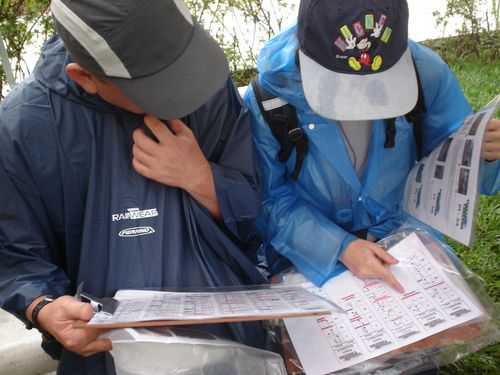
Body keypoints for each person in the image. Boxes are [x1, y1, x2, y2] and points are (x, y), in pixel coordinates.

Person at [0, 0, 267, 373]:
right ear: (85, 78)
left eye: (180, 69)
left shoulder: (199, 81)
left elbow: (254, 208)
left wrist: (200, 177)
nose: (180, 89)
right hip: (108, 355)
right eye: (155, 85)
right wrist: (43, 308)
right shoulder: (21, 129)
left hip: (234, 341)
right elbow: (16, 259)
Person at [244, 0, 500, 291]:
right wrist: (339, 247)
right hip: (306, 253)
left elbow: (453, 160)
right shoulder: (268, 98)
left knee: (452, 328)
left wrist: (485, 155)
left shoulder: (424, 72)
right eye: (339, 82)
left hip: (403, 239)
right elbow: (267, 198)